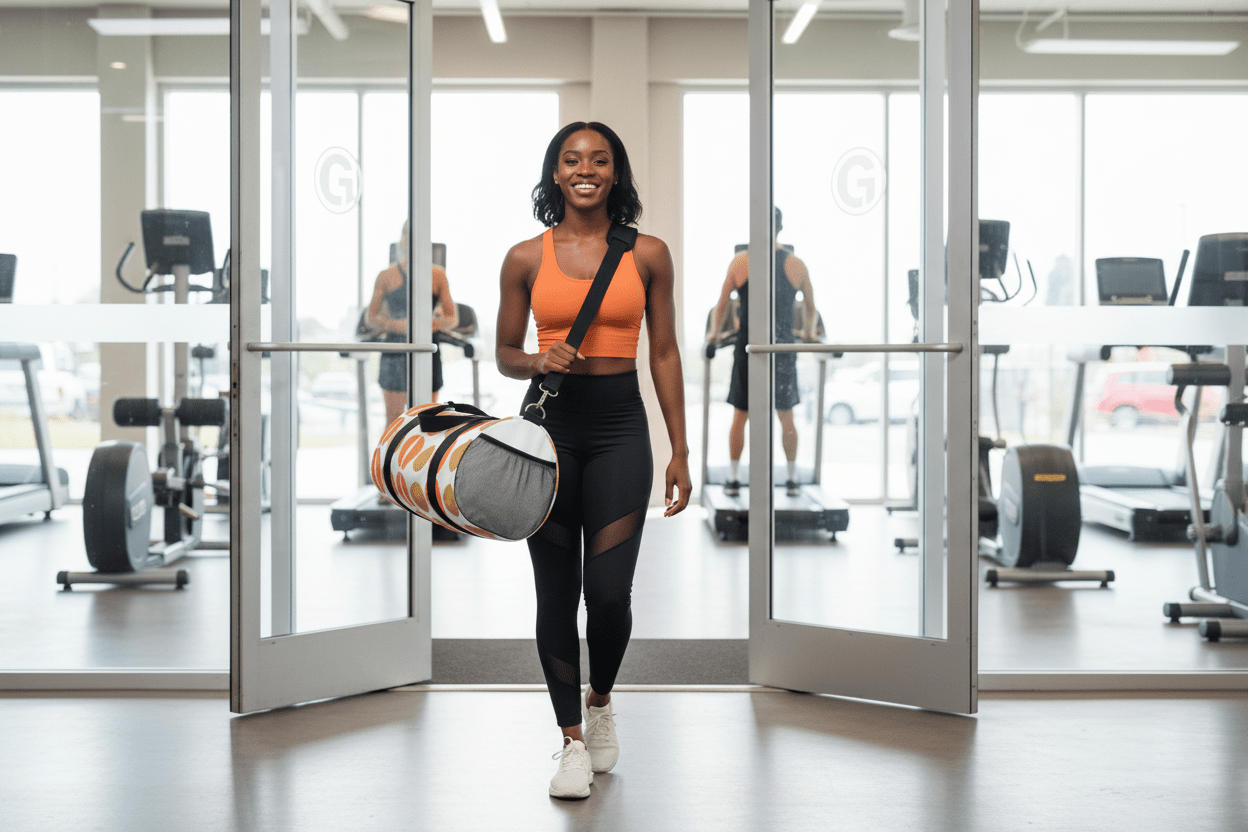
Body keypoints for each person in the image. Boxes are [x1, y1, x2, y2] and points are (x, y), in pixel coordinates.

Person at [496, 121, 691, 800]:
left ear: (616, 172)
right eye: (572, 159)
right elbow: (504, 354)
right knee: (555, 593)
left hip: (619, 428)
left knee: (608, 595)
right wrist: (534, 358)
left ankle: (601, 697)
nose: (586, 169)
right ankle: (572, 740)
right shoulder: (524, 256)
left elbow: (663, 353)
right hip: (548, 430)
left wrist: (680, 448)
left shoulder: (650, 255)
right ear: (556, 173)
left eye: (599, 159)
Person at [709, 207, 818, 498]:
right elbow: (810, 308)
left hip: (749, 348)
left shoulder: (740, 262)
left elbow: (721, 305)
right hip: (781, 348)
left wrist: (714, 335)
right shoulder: (795, 264)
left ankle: (732, 479)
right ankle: (793, 480)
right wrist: (807, 333)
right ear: (780, 229)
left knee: (740, 415)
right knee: (786, 416)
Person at [367, 220, 457, 426]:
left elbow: (453, 318)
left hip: (427, 348)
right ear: (402, 238)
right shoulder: (386, 276)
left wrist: (428, 325)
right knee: (393, 421)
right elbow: (371, 317)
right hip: (395, 351)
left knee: (427, 421)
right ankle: (390, 459)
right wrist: (394, 325)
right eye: (409, 235)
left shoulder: (438, 275)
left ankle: (421, 459)